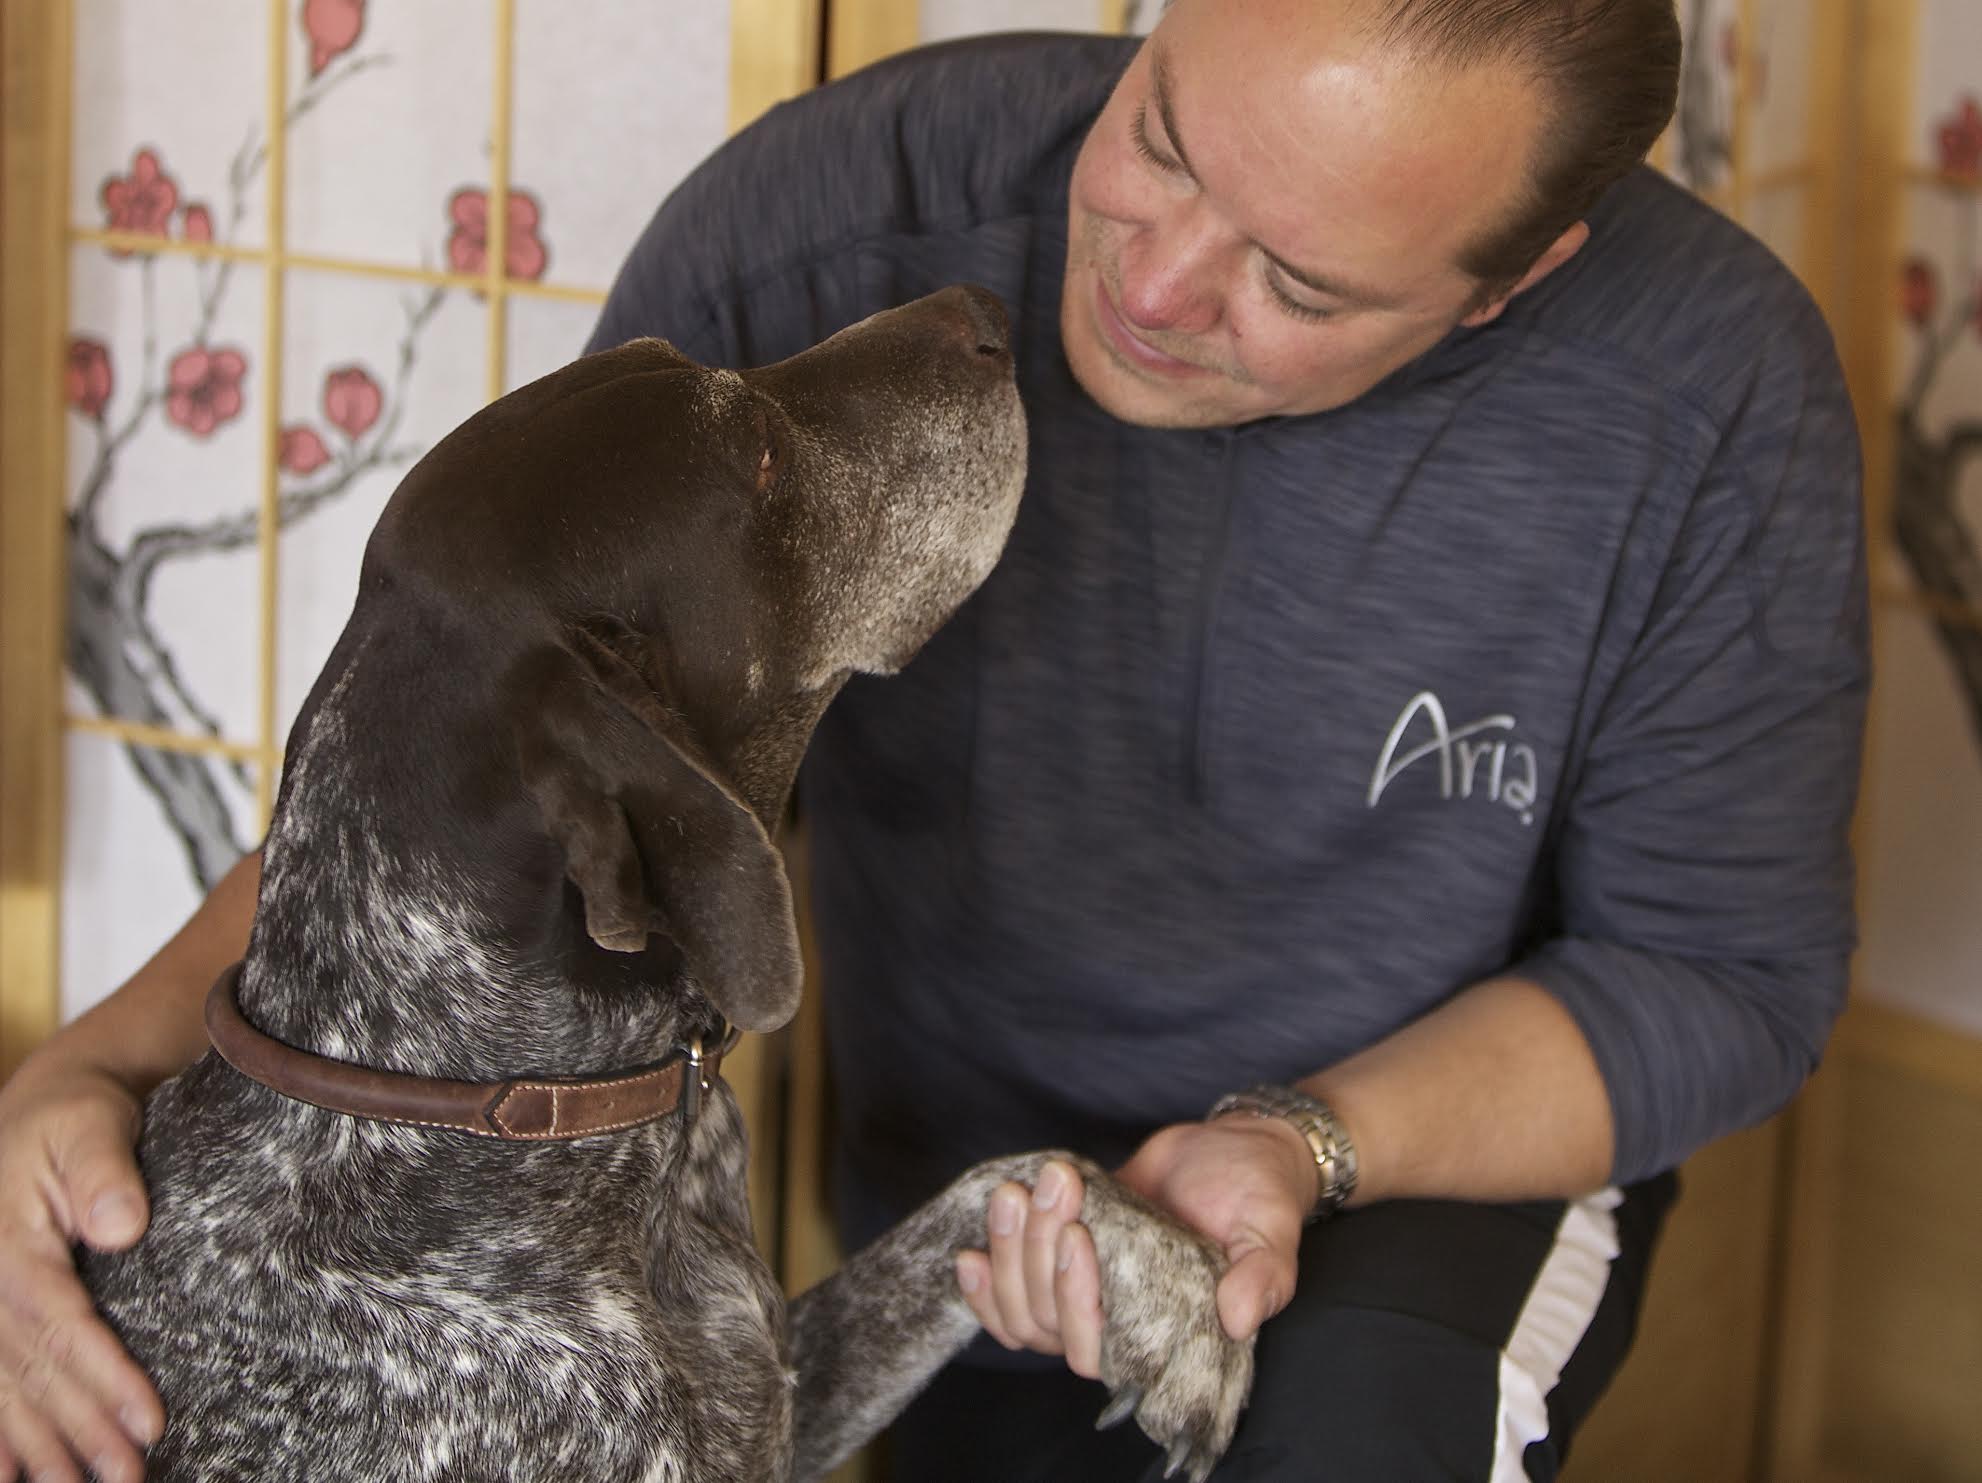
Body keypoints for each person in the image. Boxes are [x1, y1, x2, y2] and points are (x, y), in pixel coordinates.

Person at [0, 1, 1868, 1479]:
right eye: (1159, 140)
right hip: (945, 1191)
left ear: (1512, 273)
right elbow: (499, 749)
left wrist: (1300, 1147)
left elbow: (1714, 973)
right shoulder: (824, 230)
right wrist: (73, 1076)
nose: (1147, 287)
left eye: (1295, 287)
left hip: (1404, 1174)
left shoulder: (1700, 396)